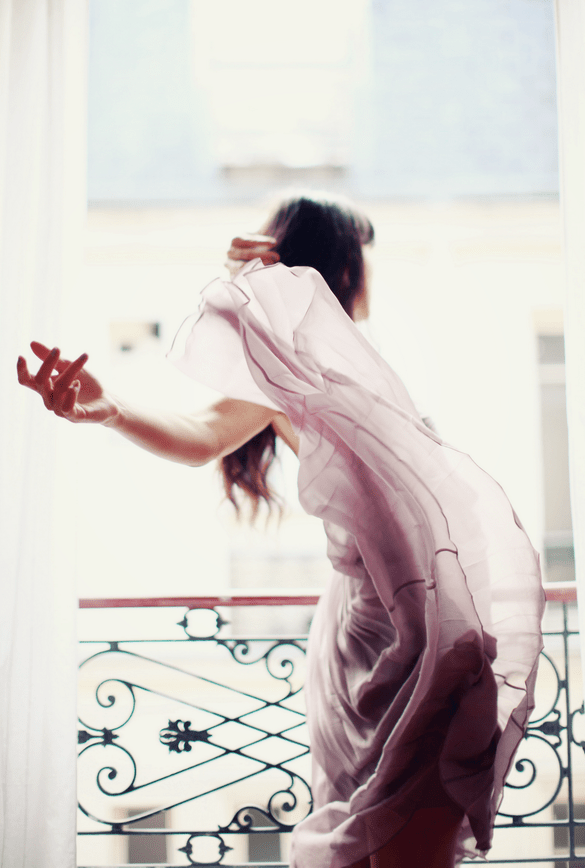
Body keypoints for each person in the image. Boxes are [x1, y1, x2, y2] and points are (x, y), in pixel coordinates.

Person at [17, 194, 545, 868]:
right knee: (396, 822)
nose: (370, 272)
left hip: (414, 619)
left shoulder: (350, 369)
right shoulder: (293, 372)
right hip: (390, 632)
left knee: (406, 823)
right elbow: (202, 434)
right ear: (342, 268)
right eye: (364, 255)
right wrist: (113, 408)